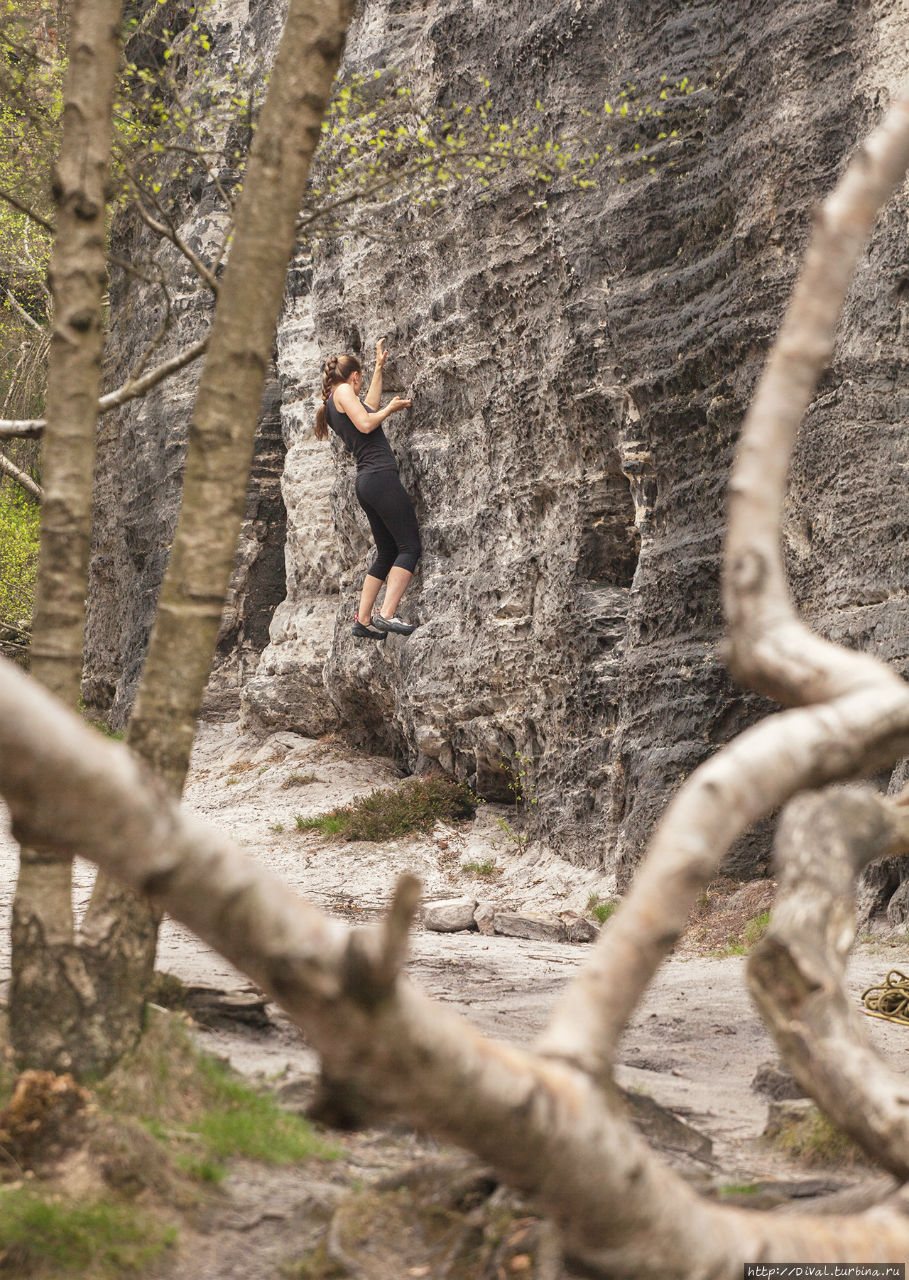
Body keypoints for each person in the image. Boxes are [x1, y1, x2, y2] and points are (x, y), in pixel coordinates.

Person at [314, 339, 421, 639]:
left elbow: (367, 408)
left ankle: (362, 620)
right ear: (353, 377)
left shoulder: (332, 403)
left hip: (366, 481)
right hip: (380, 475)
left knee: (386, 551)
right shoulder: (345, 391)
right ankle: (386, 615)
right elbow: (366, 422)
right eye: (361, 379)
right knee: (409, 546)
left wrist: (378, 367)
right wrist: (392, 408)